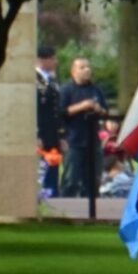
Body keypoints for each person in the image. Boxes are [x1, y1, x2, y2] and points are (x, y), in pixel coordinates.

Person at [60, 56, 113, 201]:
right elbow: (61, 112)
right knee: (71, 178)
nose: (87, 70)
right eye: (82, 67)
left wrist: (98, 109)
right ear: (73, 71)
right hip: (73, 140)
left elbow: (105, 111)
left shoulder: (96, 90)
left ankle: (91, 211)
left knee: (93, 179)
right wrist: (82, 106)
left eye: (88, 67)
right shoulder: (66, 90)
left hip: (93, 140)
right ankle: (65, 208)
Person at [34, 44, 64, 196]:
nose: (55, 62)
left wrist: (61, 135)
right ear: (41, 60)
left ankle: (52, 194)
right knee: (42, 169)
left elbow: (56, 110)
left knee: (53, 166)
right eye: (52, 59)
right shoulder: (35, 81)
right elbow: (36, 110)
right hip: (42, 133)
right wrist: (36, 135)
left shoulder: (51, 81)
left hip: (52, 133)